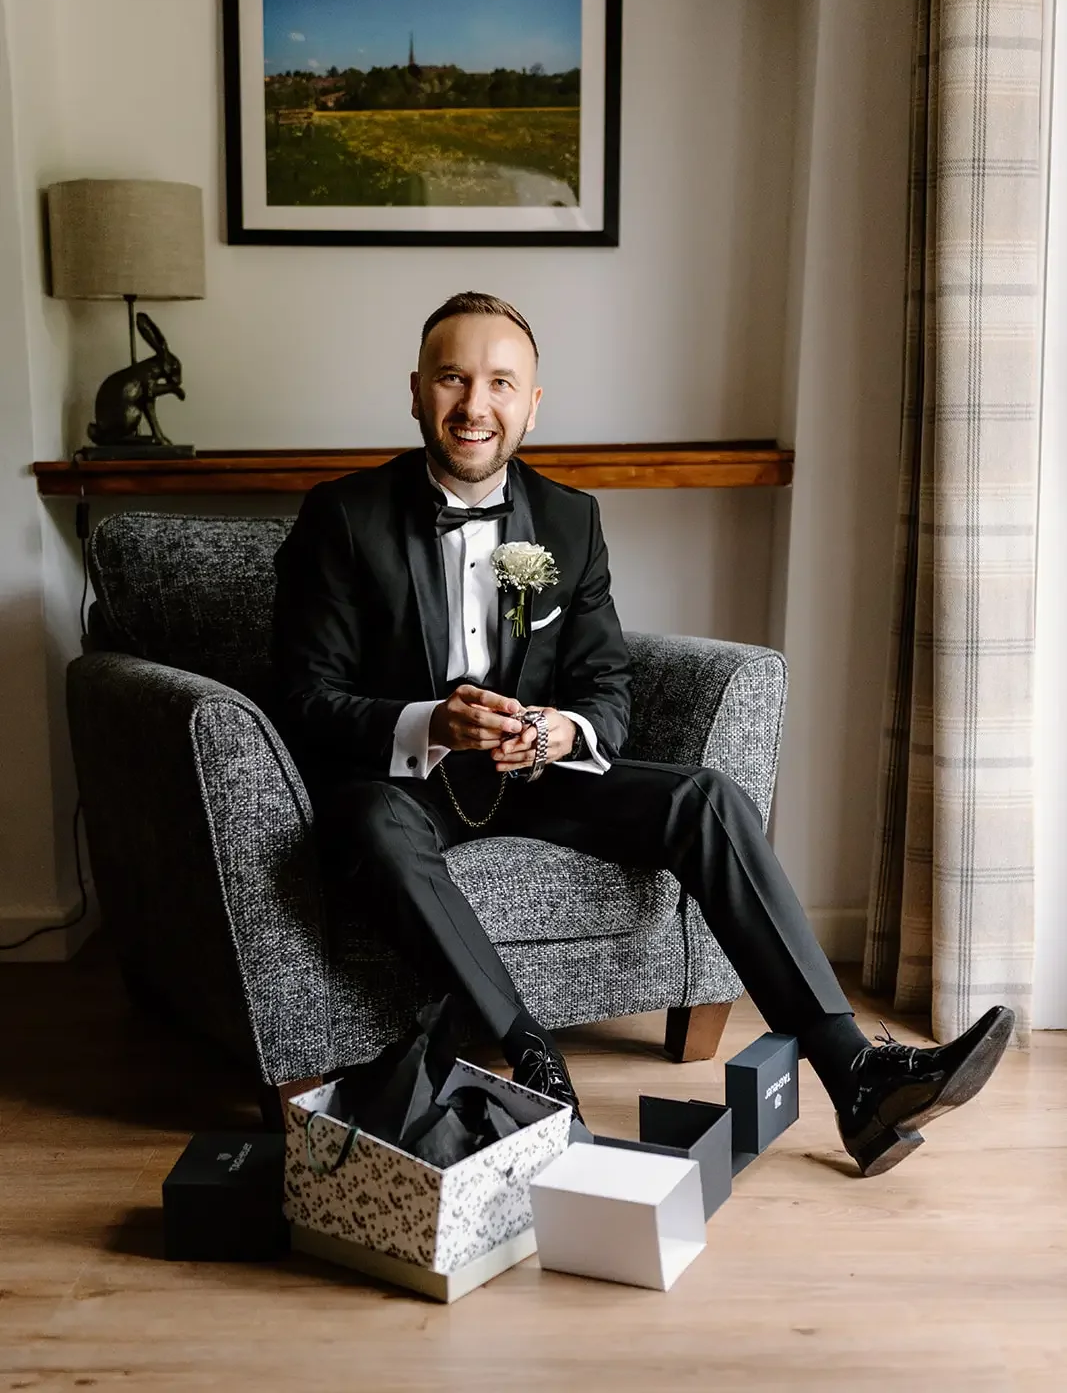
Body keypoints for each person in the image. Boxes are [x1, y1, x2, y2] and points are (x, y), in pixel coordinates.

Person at [272, 291, 1014, 1176]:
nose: (475, 405)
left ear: (532, 402)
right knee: (366, 825)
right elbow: (303, 697)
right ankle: (534, 1065)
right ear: (416, 390)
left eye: (500, 383)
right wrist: (431, 721)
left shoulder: (570, 520)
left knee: (704, 795)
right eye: (452, 378)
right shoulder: (341, 517)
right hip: (405, 790)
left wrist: (558, 731)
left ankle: (853, 1076)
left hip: (537, 779)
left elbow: (605, 686)